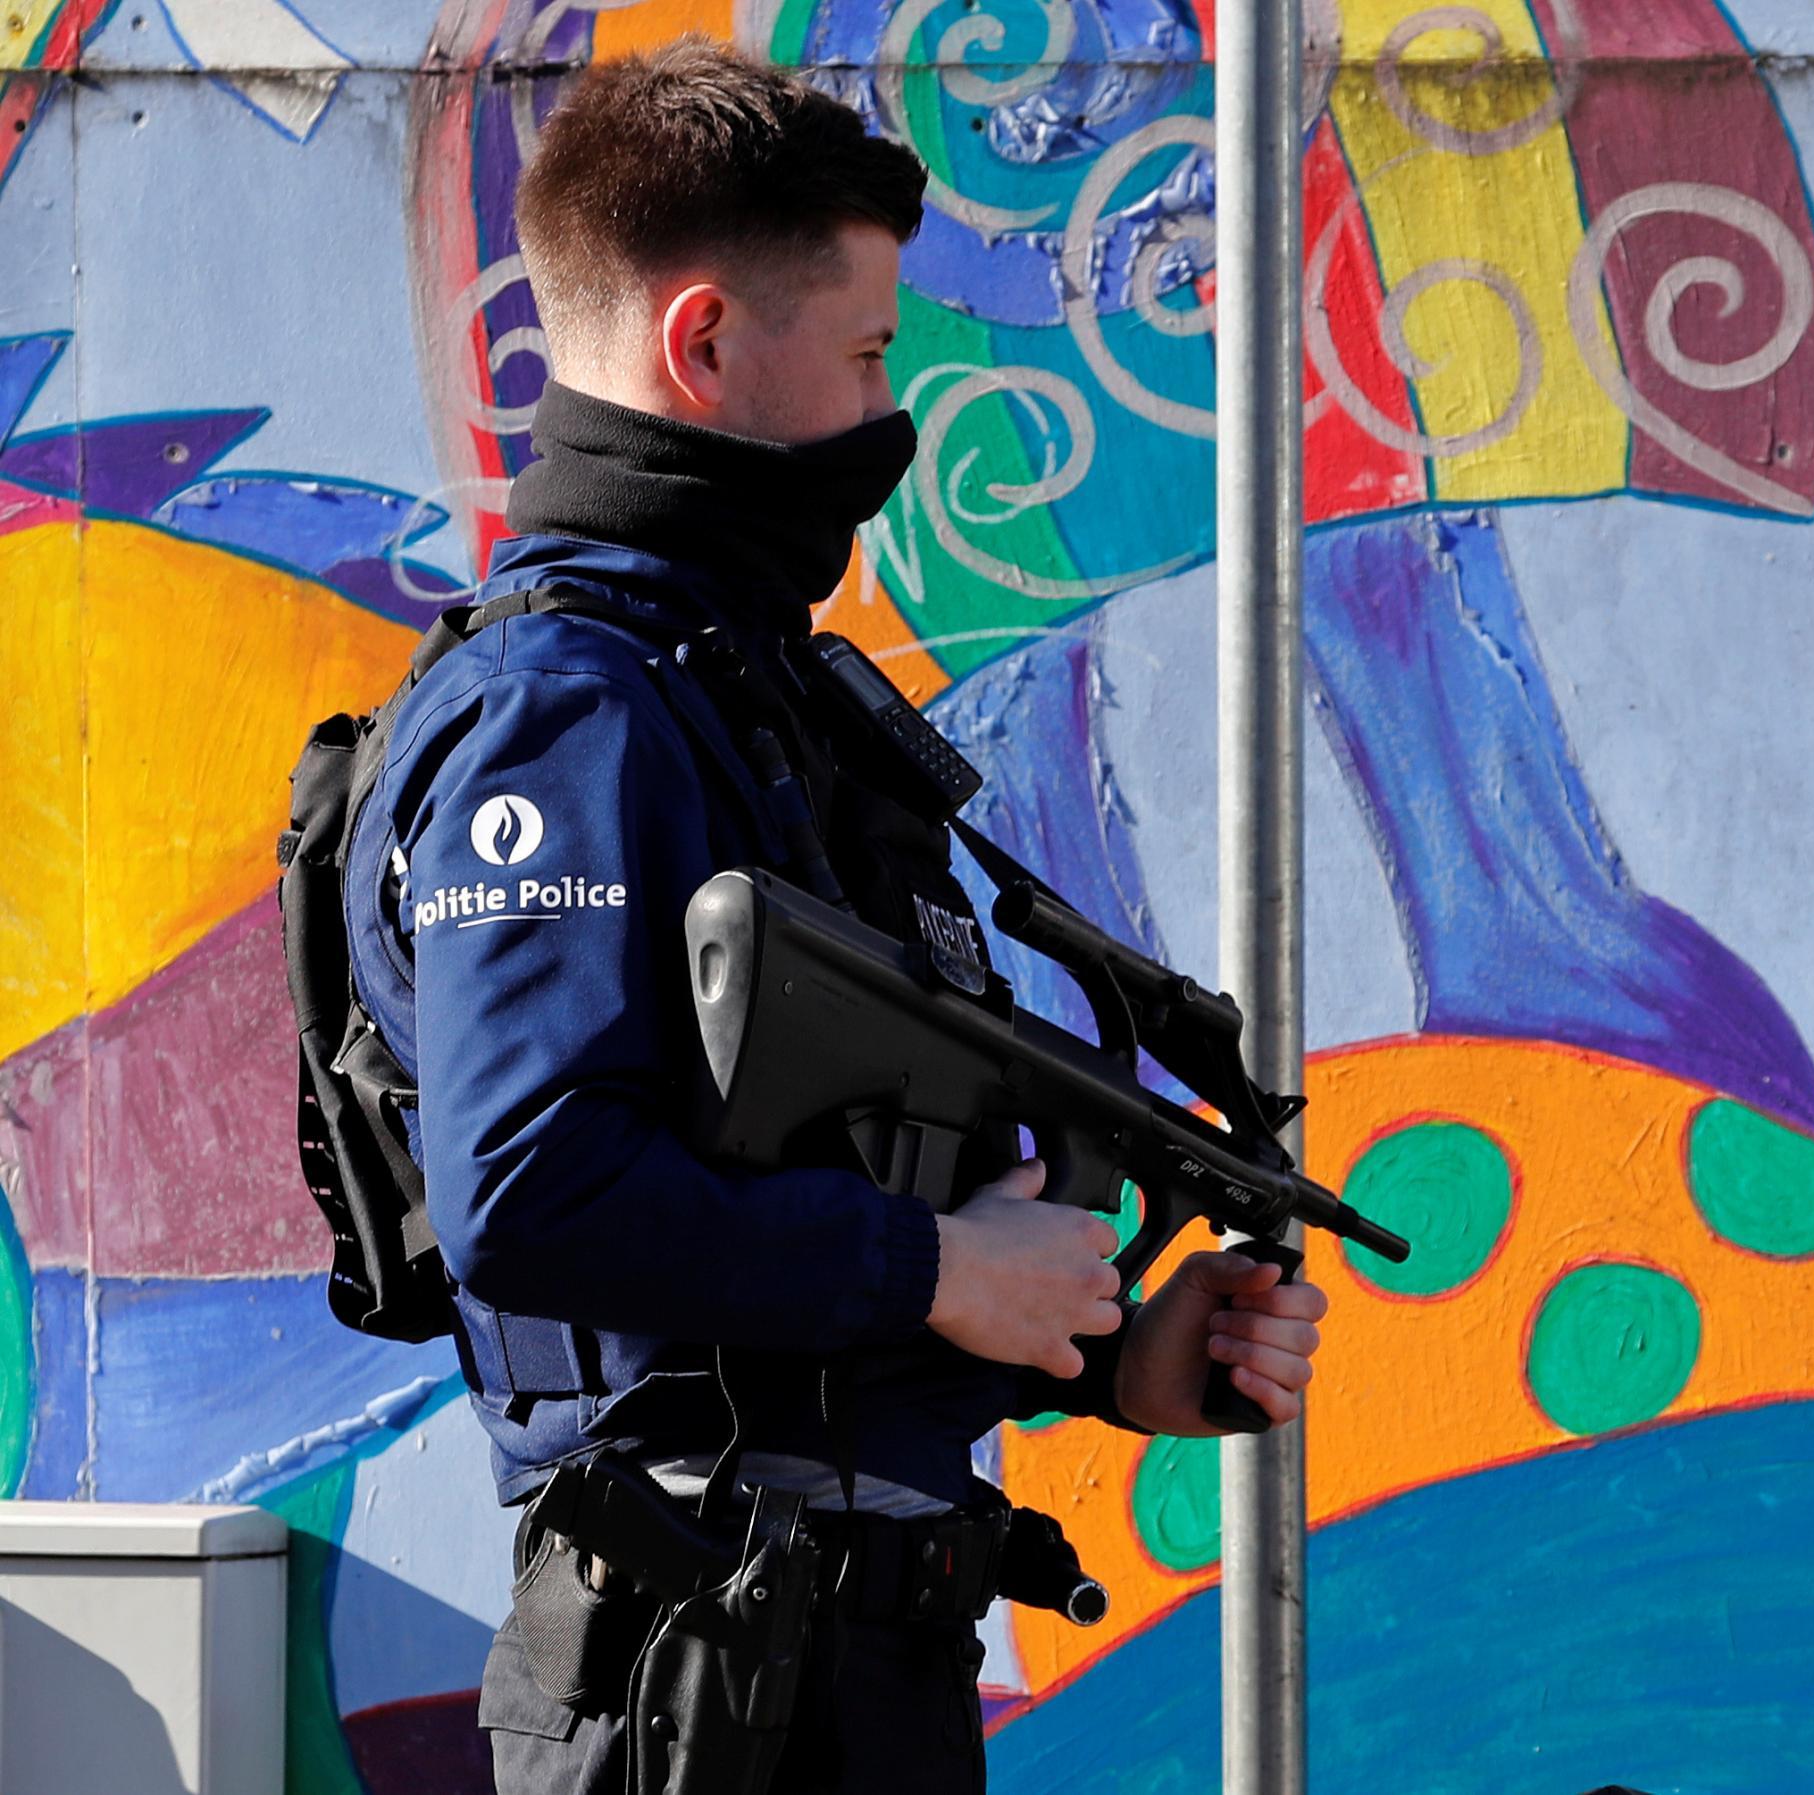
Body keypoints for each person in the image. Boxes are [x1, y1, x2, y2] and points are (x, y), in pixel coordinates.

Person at [341, 38, 1329, 1794]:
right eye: (870, 350)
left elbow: (798, 1200)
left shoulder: (742, 693)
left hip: (840, 1660)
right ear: (704, 341)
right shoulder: (567, 714)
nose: (894, 406)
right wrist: (940, 1270)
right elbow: (533, 1191)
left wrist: (1104, 1353)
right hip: (697, 1684)